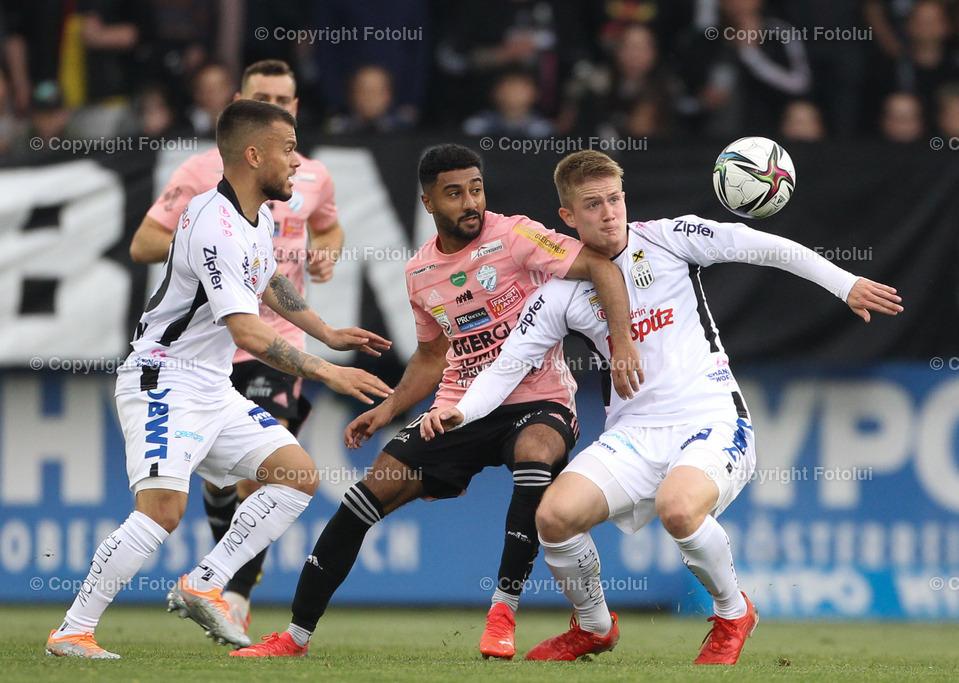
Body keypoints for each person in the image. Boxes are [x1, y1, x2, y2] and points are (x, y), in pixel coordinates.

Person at [421, 150, 903, 664]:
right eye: (592, 205)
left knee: (679, 508)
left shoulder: (671, 238)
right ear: (567, 217)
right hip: (634, 433)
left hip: (711, 419)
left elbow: (761, 246)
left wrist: (845, 284)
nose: (608, 213)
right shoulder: (560, 293)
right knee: (554, 517)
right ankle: (594, 626)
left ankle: (733, 612)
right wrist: (460, 412)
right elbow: (507, 365)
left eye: (614, 199)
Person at [231, 143, 642, 659]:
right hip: (456, 407)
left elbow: (602, 265)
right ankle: (294, 636)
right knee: (361, 501)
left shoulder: (517, 235)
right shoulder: (420, 272)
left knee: (536, 459)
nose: (470, 202)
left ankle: (502, 613)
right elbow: (431, 355)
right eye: (454, 194)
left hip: (538, 399)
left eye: (476, 189)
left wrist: (622, 343)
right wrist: (388, 409)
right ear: (429, 202)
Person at [44, 99, 393, 659]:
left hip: (209, 384)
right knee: (162, 511)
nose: (296, 162)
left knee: (297, 475)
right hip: (163, 379)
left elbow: (270, 278)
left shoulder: (255, 215)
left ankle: (204, 581)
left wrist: (326, 332)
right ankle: (72, 630)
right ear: (254, 155)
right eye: (287, 150)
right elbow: (250, 334)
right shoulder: (216, 225)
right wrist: (331, 372)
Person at [129, 59, 345, 631]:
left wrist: (327, 252)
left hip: (278, 342)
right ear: (240, 104)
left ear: (297, 106)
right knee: (219, 482)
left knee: (267, 474)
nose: (277, 104)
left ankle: (231, 591)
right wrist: (206, 248)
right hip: (211, 343)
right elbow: (144, 242)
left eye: (286, 97)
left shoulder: (307, 176)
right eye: (264, 96)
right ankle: (210, 584)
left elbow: (325, 226)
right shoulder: (204, 176)